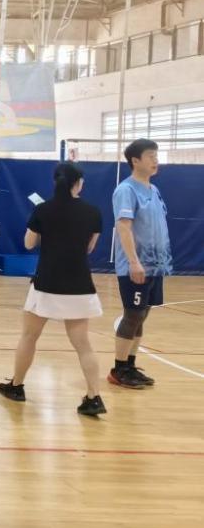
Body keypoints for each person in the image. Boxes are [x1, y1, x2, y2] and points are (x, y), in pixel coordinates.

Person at [0, 163, 105, 416]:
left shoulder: (43, 209)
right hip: (80, 285)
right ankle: (94, 397)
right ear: (78, 183)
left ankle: (17, 386)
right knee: (83, 344)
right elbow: (89, 248)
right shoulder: (93, 212)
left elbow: (28, 243)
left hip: (46, 284)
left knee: (29, 336)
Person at [110, 138, 171, 389]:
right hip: (136, 266)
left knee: (142, 315)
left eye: (156, 155)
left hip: (155, 266)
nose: (155, 160)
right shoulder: (126, 190)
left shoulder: (154, 189)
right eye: (150, 156)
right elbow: (123, 227)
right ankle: (118, 369)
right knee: (133, 314)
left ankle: (130, 365)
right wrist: (134, 262)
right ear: (135, 161)